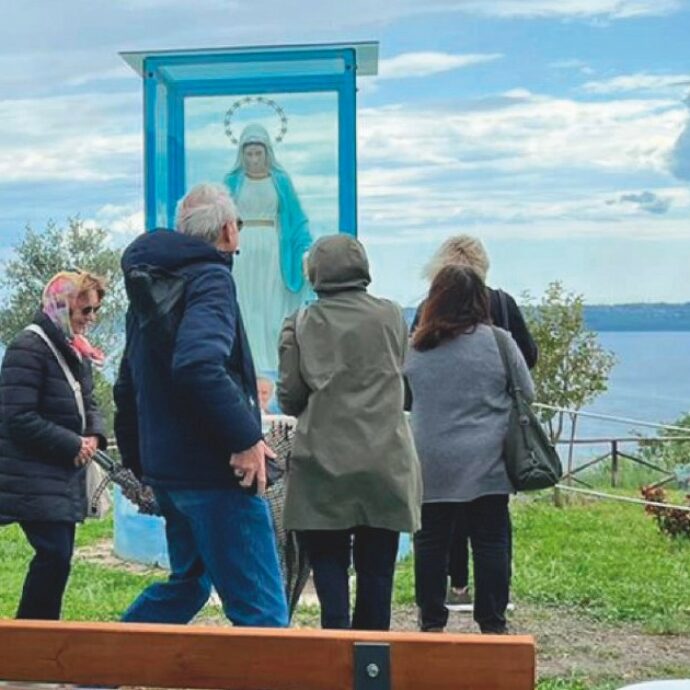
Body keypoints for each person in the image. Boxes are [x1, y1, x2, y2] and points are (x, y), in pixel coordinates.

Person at [114, 183, 288, 627]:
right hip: (217, 473)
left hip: (173, 472)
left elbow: (127, 383)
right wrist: (246, 437)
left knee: (188, 585)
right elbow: (196, 365)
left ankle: (95, 666)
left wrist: (143, 463)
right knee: (262, 613)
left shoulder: (152, 283)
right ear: (229, 230)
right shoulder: (210, 278)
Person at [277, 234, 421, 631]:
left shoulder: (301, 323)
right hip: (385, 460)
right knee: (378, 575)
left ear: (315, 273)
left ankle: (336, 655)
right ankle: (371, 664)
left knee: (329, 571)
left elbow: (290, 396)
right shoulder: (392, 315)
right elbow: (401, 372)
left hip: (323, 463)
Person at [404, 265, 534, 634]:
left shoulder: (416, 346)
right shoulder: (499, 341)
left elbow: (405, 395)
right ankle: (492, 621)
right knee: (491, 541)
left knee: (430, 542)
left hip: (431, 461)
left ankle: (431, 621)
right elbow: (527, 392)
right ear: (480, 300)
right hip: (488, 460)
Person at [0, 270, 108, 619]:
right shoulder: (27, 347)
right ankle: (32, 643)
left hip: (57, 472)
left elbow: (88, 401)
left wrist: (94, 434)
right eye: (84, 311)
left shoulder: (73, 347)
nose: (90, 319)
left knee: (56, 557)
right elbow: (17, 417)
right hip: (31, 472)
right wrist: (71, 443)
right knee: (55, 555)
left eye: (94, 311)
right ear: (61, 307)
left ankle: (36, 641)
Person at [225, 123, 313, 374]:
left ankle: (274, 365)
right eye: (249, 154)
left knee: (271, 305)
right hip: (241, 249)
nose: (253, 159)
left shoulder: (280, 182)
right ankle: (248, 360)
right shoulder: (232, 181)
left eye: (258, 153)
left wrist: (305, 251)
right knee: (246, 303)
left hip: (273, 250)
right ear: (242, 154)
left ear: (267, 153)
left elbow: (297, 220)